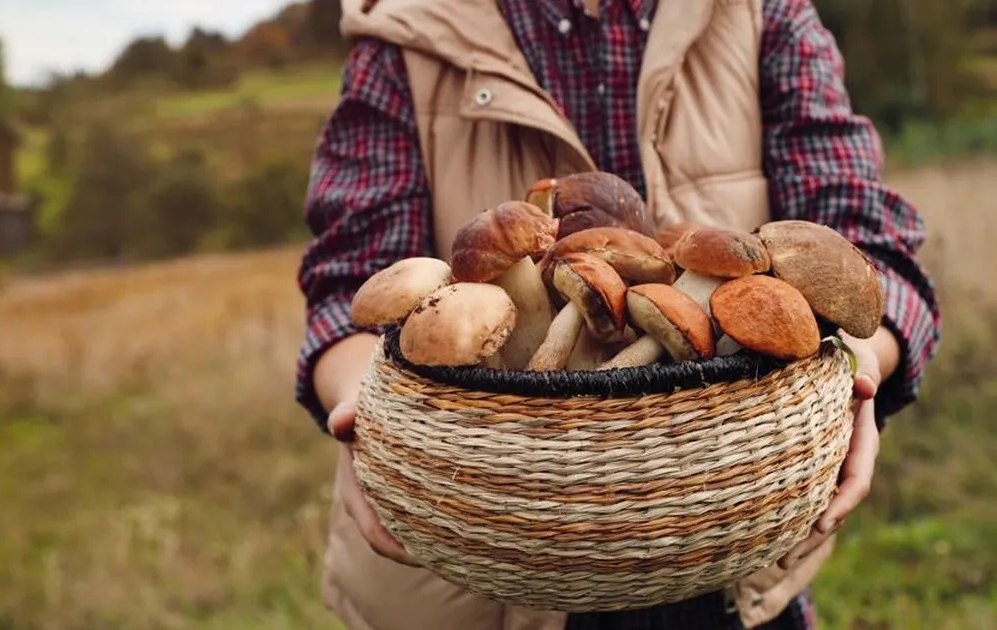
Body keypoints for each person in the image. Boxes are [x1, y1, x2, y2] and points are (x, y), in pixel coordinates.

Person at [294, 0, 941, 628]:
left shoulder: (762, 11)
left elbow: (866, 248)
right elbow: (349, 285)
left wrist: (859, 368)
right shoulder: (404, 27)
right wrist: (367, 417)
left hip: (728, 532)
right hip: (486, 546)